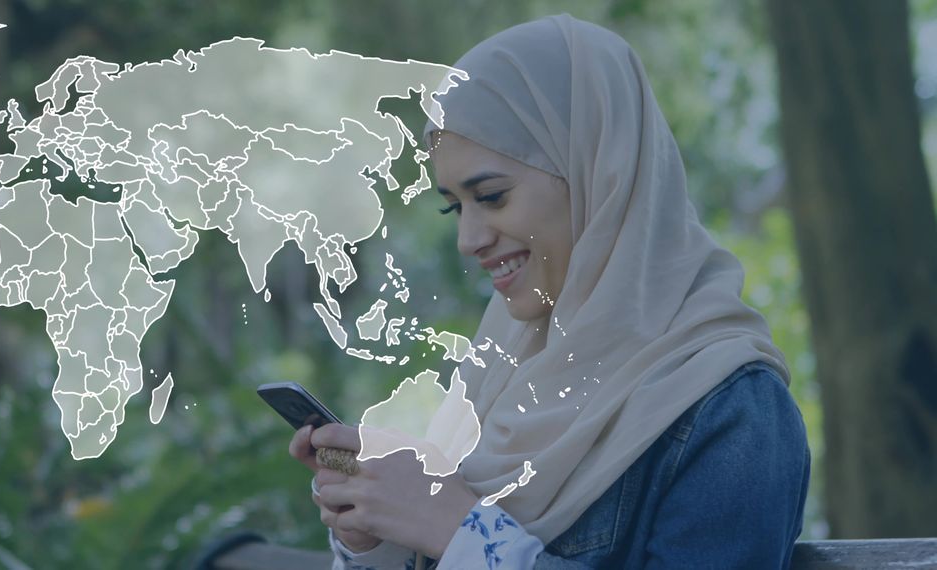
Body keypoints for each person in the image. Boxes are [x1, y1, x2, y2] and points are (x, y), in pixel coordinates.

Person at [289, 14, 810, 569]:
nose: (468, 239)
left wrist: (460, 532)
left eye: (490, 196)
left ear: (598, 175)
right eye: (454, 206)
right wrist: (381, 534)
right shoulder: (501, 377)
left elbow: (461, 536)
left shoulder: (730, 409)